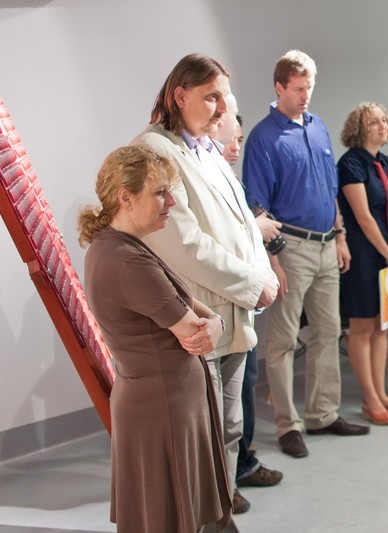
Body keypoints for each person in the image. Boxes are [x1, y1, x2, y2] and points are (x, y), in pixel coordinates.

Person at [136, 54, 282, 516]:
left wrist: (262, 273)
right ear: (180, 96)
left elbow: (242, 223)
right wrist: (252, 283)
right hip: (198, 317)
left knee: (230, 429)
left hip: (233, 314)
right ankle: (200, 519)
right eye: (211, 97)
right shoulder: (155, 151)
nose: (222, 108)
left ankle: (219, 515)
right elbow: (184, 244)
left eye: (224, 97)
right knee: (202, 436)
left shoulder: (206, 149)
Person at [80, 145, 231, 533]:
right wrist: (214, 323)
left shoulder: (119, 247)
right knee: (168, 518)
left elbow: (189, 304)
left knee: (171, 515)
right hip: (161, 408)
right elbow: (195, 332)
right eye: (160, 192)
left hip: (162, 402)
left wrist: (215, 321)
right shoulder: (128, 261)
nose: (171, 202)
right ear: (125, 198)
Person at [242, 50, 369, 459]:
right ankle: (288, 425)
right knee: (282, 341)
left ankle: (323, 414)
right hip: (291, 247)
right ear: (279, 87)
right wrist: (274, 263)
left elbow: (330, 190)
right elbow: (257, 207)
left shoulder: (318, 127)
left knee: (328, 332)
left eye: (309, 87)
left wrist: (340, 235)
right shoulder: (264, 137)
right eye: (298, 88)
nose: (305, 95)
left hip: (327, 243)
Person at [210, 107, 283, 514]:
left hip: (245, 304)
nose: (235, 147)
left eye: (239, 139)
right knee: (227, 404)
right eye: (230, 139)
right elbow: (218, 240)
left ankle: (242, 463)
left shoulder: (232, 183)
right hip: (224, 304)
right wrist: (257, 227)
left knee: (243, 392)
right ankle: (226, 482)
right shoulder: (205, 183)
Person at [338, 102, 388, 425]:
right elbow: (364, 217)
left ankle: (381, 393)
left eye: (384, 120)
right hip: (365, 255)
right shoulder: (351, 164)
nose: (382, 126)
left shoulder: (386, 163)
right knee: (363, 328)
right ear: (359, 128)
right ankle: (369, 398)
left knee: (383, 325)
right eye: (374, 122)